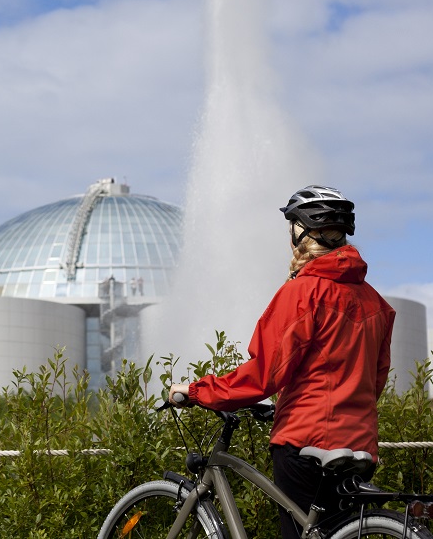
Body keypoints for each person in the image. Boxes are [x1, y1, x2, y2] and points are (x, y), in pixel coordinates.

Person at [168, 185, 395, 539]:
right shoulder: (376, 303)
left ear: (300, 233)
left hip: (306, 442)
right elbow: (374, 380)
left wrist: (198, 391)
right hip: (360, 445)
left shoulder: (302, 292)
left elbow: (263, 376)